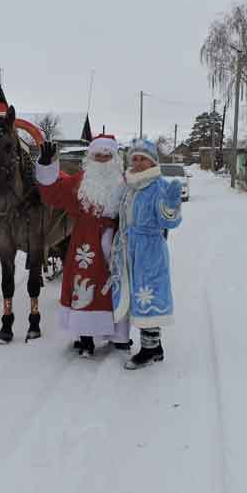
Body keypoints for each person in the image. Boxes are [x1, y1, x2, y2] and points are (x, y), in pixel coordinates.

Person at [35, 134, 130, 358]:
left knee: (117, 287)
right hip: (86, 243)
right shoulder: (80, 181)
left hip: (117, 242)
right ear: (91, 156)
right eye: (99, 154)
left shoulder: (125, 182)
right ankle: (86, 338)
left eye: (107, 155)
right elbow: (55, 192)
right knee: (84, 287)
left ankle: (119, 336)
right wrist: (47, 166)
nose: (103, 158)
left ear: (115, 157)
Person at [109, 139, 183, 370]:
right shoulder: (130, 185)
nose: (138, 163)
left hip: (149, 249)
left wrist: (171, 207)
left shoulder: (158, 186)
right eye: (135, 158)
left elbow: (168, 222)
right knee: (135, 294)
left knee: (147, 295)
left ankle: (149, 350)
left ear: (152, 161)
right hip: (128, 248)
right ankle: (156, 348)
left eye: (143, 158)